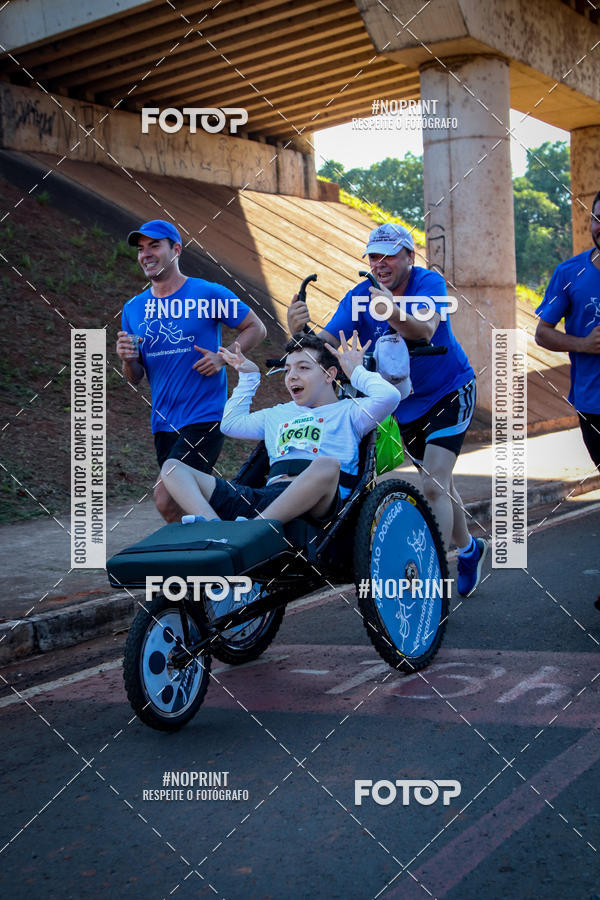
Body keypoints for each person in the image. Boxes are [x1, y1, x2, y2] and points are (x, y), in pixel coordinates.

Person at [287, 222, 487, 597]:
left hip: (448, 391)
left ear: (410, 256)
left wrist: (390, 310)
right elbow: (324, 345)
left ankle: (433, 583)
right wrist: (298, 331)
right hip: (404, 404)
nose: (380, 263)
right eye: (374, 256)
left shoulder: (428, 283)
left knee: (433, 485)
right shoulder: (360, 295)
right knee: (440, 484)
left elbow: (425, 330)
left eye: (389, 255)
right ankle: (469, 550)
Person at [160, 331, 401, 524]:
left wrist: (355, 371)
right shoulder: (277, 414)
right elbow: (230, 424)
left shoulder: (351, 411)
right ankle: (215, 528)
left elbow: (389, 396)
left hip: (319, 500)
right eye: (287, 370)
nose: (292, 376)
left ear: (329, 375)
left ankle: (257, 529)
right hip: (268, 497)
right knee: (172, 468)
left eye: (303, 368)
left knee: (327, 464)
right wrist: (248, 378)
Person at [116, 219, 266, 522]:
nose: (145, 254)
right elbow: (135, 377)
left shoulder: (207, 293)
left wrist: (222, 357)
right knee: (183, 500)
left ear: (176, 250)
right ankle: (229, 528)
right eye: (141, 249)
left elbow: (256, 328)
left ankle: (218, 541)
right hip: (163, 422)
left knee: (165, 497)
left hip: (204, 415)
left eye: (154, 245)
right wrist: (127, 360)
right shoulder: (133, 308)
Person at [535, 190, 600, 471]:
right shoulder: (569, 273)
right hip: (593, 403)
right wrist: (584, 344)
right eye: (598, 219)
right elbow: (542, 333)